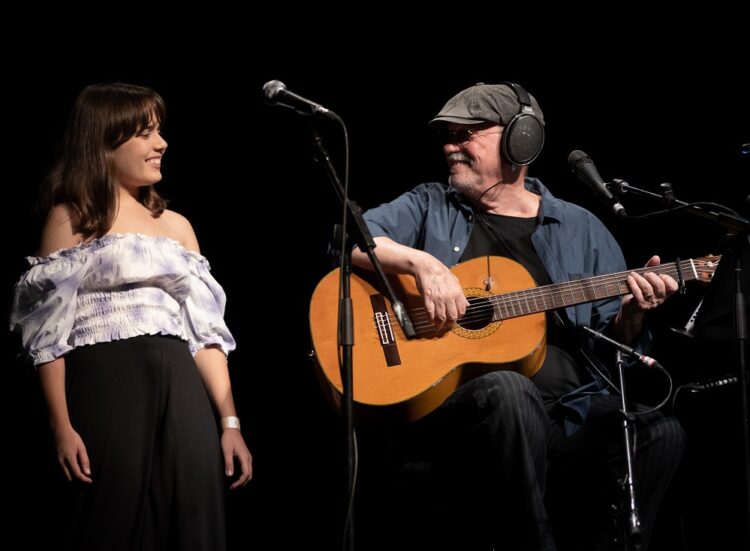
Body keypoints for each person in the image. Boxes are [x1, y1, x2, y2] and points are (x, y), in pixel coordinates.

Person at [351, 82, 686, 550]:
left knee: (659, 430)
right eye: (447, 136)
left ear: (520, 139)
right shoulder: (430, 204)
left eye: (466, 134)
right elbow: (354, 239)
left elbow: (618, 358)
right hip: (464, 413)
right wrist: (422, 264)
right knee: (510, 391)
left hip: (568, 412)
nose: (450, 147)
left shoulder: (580, 227)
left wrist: (631, 317)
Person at [9, 82, 251, 551]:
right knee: (111, 518)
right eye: (144, 133)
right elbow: (46, 335)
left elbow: (206, 335)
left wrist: (230, 423)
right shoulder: (71, 219)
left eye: (159, 132)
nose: (161, 144)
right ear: (104, 142)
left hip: (181, 384)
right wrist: (61, 426)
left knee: (195, 516)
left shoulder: (177, 226)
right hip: (108, 381)